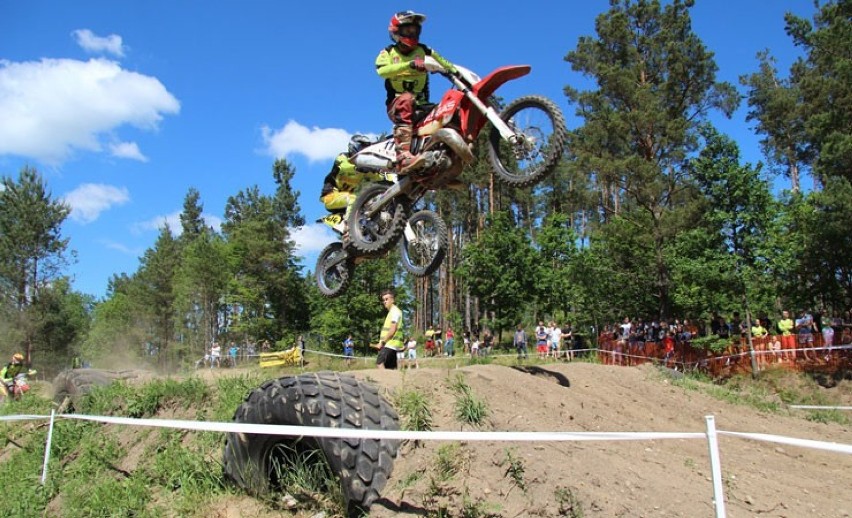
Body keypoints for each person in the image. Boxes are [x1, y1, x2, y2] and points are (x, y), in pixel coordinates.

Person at [375, 11, 457, 173]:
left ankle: (447, 162)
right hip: (397, 106)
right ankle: (403, 157)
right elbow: (382, 71)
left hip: (422, 106)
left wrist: (455, 72)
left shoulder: (424, 50)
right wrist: (409, 65)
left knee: (451, 109)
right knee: (406, 98)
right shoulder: (388, 53)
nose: (412, 34)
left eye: (415, 31)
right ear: (396, 32)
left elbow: (446, 63)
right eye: (407, 31)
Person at [320, 135, 375, 236]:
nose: (362, 152)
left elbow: (380, 178)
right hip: (331, 196)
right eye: (361, 148)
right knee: (354, 198)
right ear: (352, 147)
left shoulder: (365, 168)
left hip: (348, 202)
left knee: (371, 204)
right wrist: (365, 168)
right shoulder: (342, 158)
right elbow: (345, 166)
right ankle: (348, 227)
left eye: (365, 149)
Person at [375, 288, 403, 369]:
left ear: (393, 300)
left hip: (389, 344)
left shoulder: (394, 311)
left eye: (387, 299)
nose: (384, 301)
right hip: (392, 346)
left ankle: (384, 382)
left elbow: (392, 330)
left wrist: (382, 343)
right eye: (384, 300)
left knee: (380, 363)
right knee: (390, 369)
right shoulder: (393, 312)